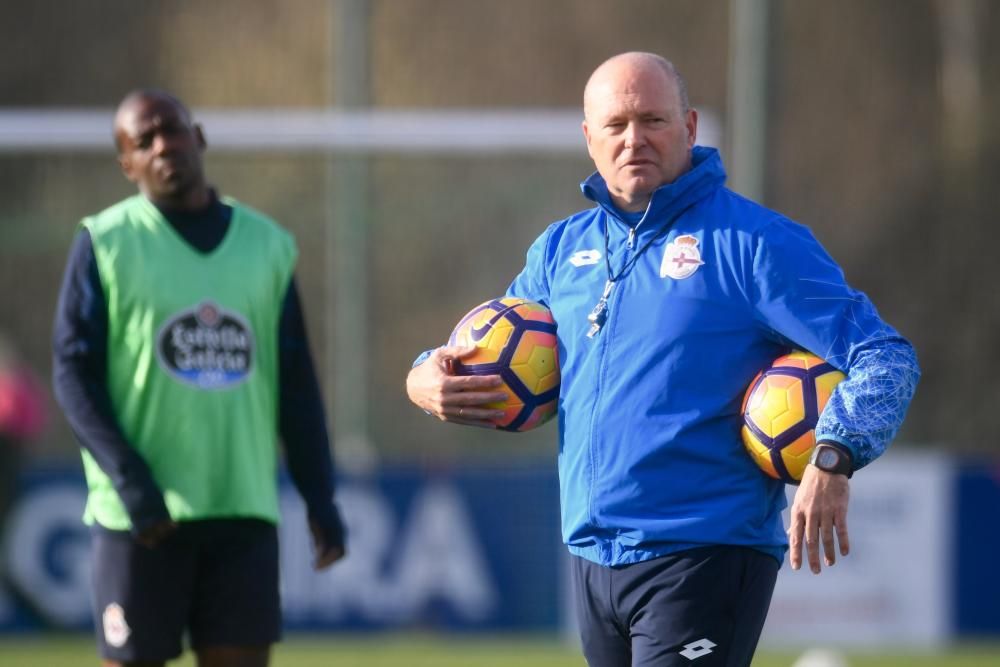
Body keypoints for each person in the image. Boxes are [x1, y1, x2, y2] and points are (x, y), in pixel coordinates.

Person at [406, 52, 919, 666]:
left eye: (653, 120)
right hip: (593, 558)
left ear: (690, 128)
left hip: (703, 553)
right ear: (589, 137)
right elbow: (484, 349)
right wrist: (423, 377)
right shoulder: (560, 250)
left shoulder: (754, 245)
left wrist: (833, 457)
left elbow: (884, 356)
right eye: (617, 124)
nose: (634, 139)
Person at [52, 89, 346, 667]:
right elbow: (72, 374)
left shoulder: (268, 246)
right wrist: (131, 479)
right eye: (144, 140)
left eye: (173, 130)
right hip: (139, 518)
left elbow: (296, 384)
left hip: (240, 511)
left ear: (199, 137)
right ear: (126, 163)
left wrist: (320, 495)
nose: (163, 146)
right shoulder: (104, 243)